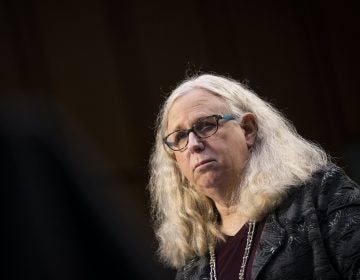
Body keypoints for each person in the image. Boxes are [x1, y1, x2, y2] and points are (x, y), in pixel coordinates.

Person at [149, 74, 360, 279]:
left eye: (205, 125)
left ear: (248, 130)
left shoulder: (319, 193)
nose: (194, 144)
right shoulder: (192, 262)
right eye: (179, 137)